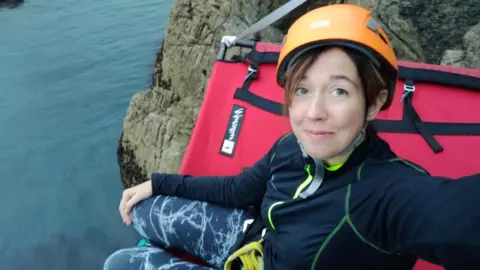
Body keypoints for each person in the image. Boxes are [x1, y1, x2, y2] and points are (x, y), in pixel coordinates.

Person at [104, 4, 480, 270]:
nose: (313, 112)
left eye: (339, 91)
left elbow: (455, 216)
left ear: (374, 102)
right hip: (255, 242)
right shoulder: (290, 147)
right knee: (142, 210)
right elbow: (239, 190)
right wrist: (158, 182)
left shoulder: (385, 193)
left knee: (120, 264)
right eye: (302, 90)